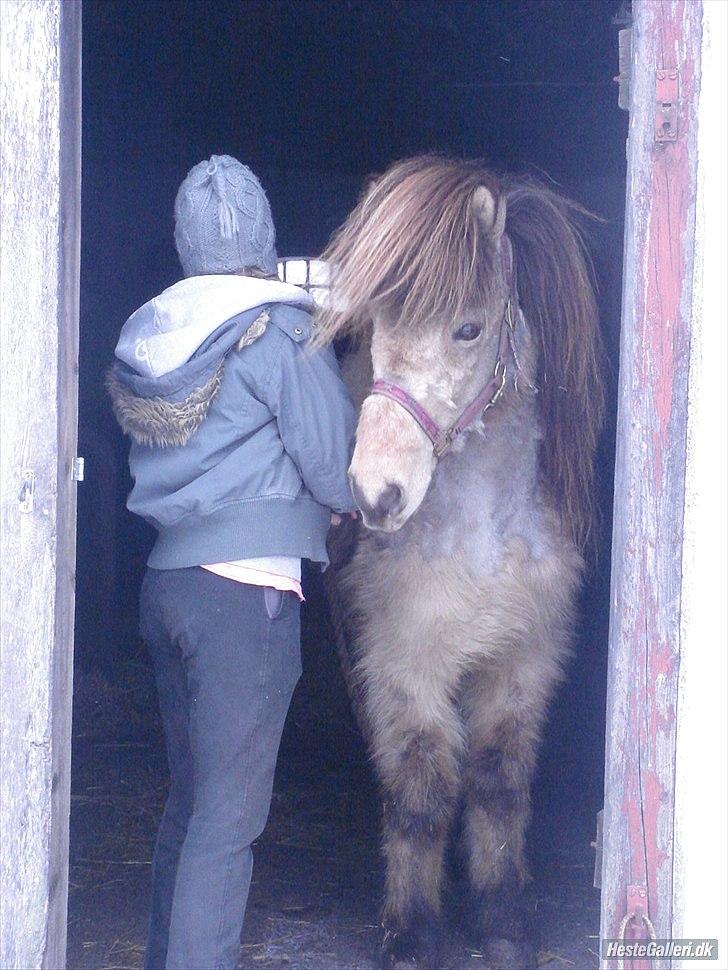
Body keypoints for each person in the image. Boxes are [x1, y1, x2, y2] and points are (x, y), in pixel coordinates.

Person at [107, 155, 357, 970]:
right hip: (241, 600)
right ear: (262, 238)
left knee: (191, 806)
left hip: (167, 587)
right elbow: (330, 462)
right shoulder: (279, 331)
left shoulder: (151, 336)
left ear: (184, 243)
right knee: (229, 824)